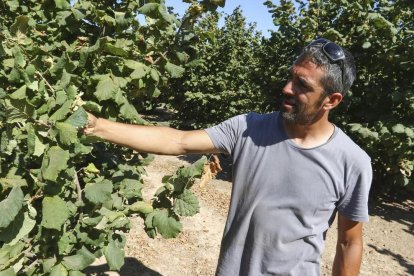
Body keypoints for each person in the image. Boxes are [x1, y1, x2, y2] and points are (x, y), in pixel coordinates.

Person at [84, 38, 372, 276]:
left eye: (303, 85)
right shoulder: (248, 128)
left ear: (331, 101)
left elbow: (349, 243)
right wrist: (97, 126)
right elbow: (178, 140)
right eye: (291, 77)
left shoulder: (351, 162)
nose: (287, 88)